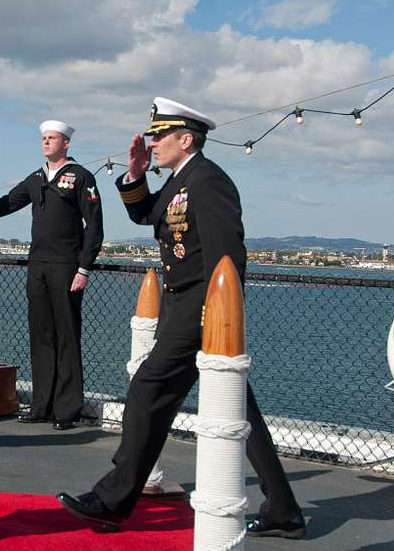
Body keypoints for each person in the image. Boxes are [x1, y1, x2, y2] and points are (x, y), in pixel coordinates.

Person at [57, 98, 305, 539]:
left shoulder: (208, 182)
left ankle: (113, 500)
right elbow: (145, 215)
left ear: (185, 138)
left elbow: (227, 257)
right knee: (238, 409)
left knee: (148, 390)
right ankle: (283, 510)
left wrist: (217, 317)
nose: (153, 141)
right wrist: (134, 175)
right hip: (183, 305)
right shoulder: (179, 181)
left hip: (198, 309)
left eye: (160, 135)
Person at [0, 120, 103, 430]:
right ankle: (42, 405)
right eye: (43, 137)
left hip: (67, 266)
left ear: (65, 143)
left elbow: (93, 225)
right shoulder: (36, 178)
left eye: (52, 138)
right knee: (41, 336)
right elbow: (4, 205)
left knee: (67, 336)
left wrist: (84, 268)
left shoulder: (81, 177)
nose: (46, 142)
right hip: (38, 265)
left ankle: (67, 410)